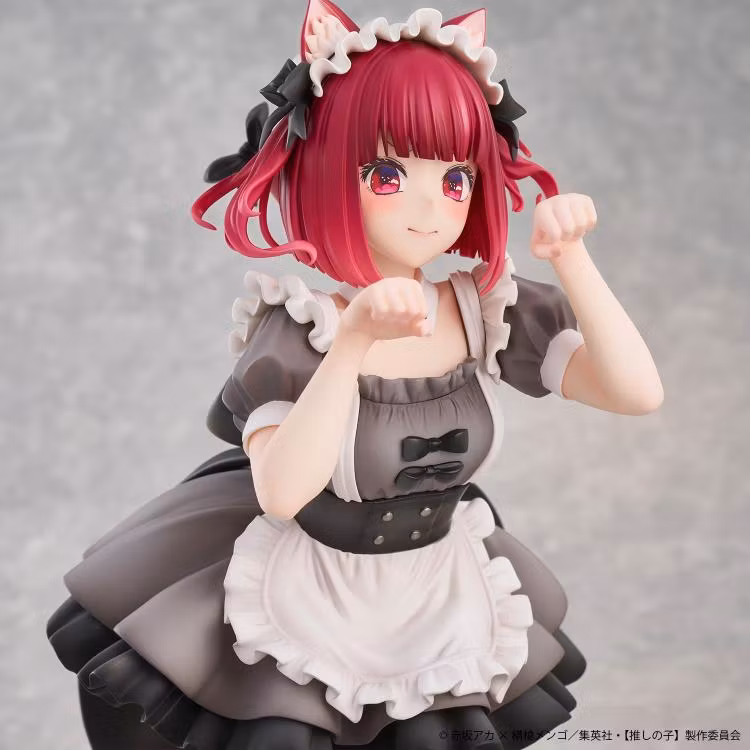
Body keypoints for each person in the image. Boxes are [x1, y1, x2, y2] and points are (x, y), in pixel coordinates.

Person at [46, 2, 664, 749]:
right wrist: (351, 344)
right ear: (331, 172)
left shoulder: (484, 309)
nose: (430, 206)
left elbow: (636, 393)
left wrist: (573, 261)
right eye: (389, 173)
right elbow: (281, 491)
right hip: (312, 588)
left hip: (439, 590)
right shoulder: (300, 326)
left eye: (456, 178)